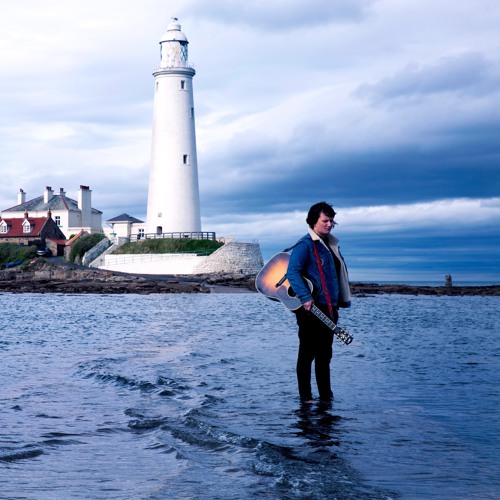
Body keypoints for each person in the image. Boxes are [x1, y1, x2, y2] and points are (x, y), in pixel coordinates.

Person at [286, 201, 351, 403]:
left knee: (325, 356)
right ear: (314, 221)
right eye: (325, 220)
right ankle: (305, 398)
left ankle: (325, 397)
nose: (330, 224)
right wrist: (305, 298)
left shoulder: (330, 245)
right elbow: (292, 272)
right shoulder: (305, 245)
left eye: (332, 220)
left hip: (329, 308)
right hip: (310, 309)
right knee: (307, 354)